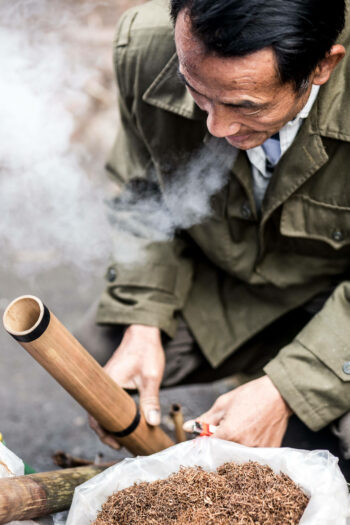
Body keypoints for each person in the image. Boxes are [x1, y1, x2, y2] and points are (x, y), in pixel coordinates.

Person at [85, 0, 350, 455]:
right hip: (226, 287)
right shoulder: (147, 45)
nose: (218, 126)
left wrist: (290, 386)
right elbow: (142, 190)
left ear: (323, 64)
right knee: (98, 367)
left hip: (337, 301)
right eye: (197, 90)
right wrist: (143, 316)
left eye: (245, 105)